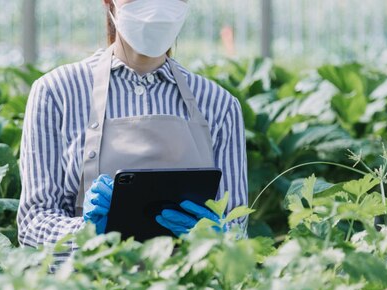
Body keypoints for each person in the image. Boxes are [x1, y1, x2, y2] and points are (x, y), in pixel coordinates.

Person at [17, 0, 248, 257]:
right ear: (109, 3)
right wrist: (85, 236)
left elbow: (237, 227)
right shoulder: (56, 93)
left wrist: (217, 239)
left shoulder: (219, 104)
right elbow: (32, 226)